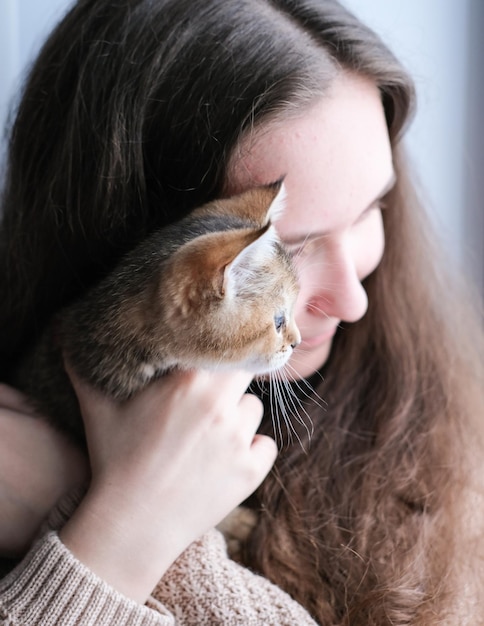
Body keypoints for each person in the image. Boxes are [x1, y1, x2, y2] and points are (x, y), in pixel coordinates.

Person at [0, 0, 483, 623]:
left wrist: (104, 517)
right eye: (296, 247)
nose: (355, 301)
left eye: (370, 210)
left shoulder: (442, 453)